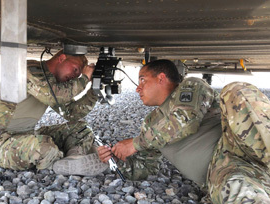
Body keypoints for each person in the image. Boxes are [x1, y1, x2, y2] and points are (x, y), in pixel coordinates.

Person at [98, 59, 270, 203]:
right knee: (241, 193)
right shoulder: (150, 125)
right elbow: (146, 169)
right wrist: (115, 159)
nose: (137, 88)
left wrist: (136, 143)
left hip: (239, 144)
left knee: (235, 90)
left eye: (142, 80)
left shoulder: (191, 86)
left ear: (161, 78)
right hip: (222, 171)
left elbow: (185, 120)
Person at [0, 50, 108, 176]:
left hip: (27, 135)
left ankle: (74, 158)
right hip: (2, 142)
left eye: (77, 75)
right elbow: (55, 96)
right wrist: (85, 78)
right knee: (44, 147)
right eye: (75, 69)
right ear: (61, 58)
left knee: (81, 129)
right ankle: (61, 162)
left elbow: (71, 113)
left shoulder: (52, 83)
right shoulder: (27, 70)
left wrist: (94, 91)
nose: (74, 76)